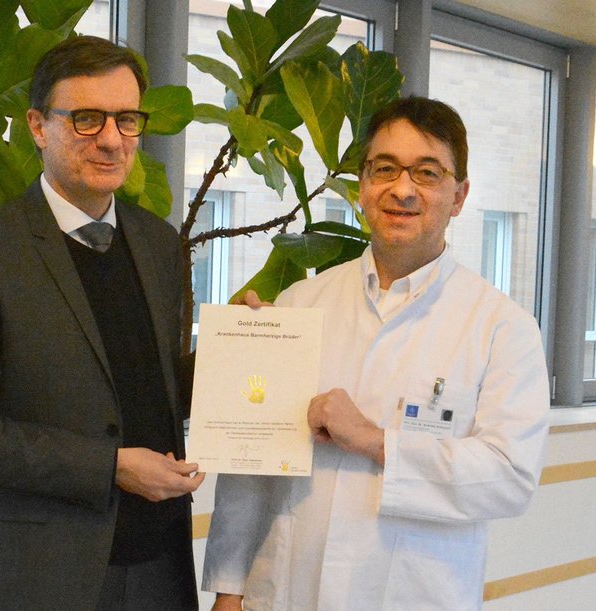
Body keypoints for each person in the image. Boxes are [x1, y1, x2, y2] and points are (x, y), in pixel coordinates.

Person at [202, 96, 550, 610]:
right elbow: (252, 471)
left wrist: (374, 440)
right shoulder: (300, 305)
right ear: (362, 185)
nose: (402, 189)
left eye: (427, 173)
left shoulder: (502, 328)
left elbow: (508, 479)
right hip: (285, 592)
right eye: (384, 168)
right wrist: (229, 589)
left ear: (459, 196)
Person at [0, 35, 204, 611]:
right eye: (86, 119)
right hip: (42, 574)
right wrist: (110, 467)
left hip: (160, 564)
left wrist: (247, 347)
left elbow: (151, 387)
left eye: (126, 119)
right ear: (37, 126)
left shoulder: (157, 243)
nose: (111, 139)